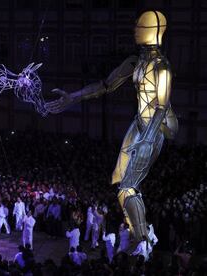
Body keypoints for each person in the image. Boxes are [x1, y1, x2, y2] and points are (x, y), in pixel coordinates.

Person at [45, 10, 178, 243]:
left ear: (150, 30)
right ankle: (140, 234)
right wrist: (73, 97)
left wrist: (147, 140)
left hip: (156, 127)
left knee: (127, 187)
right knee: (120, 183)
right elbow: (105, 84)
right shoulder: (135, 62)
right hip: (139, 123)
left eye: (139, 26)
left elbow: (162, 107)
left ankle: (143, 239)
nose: (135, 30)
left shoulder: (162, 66)